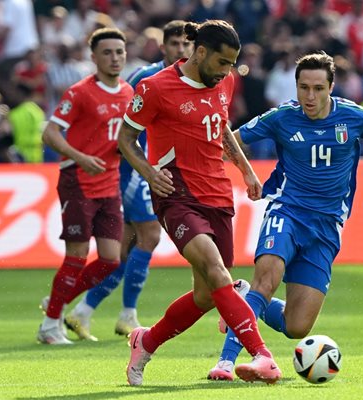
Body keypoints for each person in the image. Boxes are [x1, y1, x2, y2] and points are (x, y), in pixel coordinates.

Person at [207, 51, 363, 381]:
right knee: (268, 279)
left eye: (318, 88)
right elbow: (228, 140)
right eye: (303, 87)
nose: (310, 96)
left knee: (296, 326)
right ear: (295, 87)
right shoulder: (281, 117)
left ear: (331, 87)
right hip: (287, 210)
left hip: (327, 225)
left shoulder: (355, 118)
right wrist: (248, 173)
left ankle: (243, 300)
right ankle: (226, 363)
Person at [117, 19, 281, 385]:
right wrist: (147, 172)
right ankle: (262, 355)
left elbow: (220, 127)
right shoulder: (155, 88)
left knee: (207, 295)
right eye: (222, 63)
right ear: (200, 52)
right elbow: (125, 137)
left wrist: (246, 171)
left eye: (232, 64)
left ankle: (146, 340)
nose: (227, 72)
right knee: (218, 271)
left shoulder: (225, 80)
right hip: (176, 194)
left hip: (218, 194)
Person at [65, 20, 193, 341]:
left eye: (186, 44)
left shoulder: (193, 80)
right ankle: (125, 314)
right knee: (149, 236)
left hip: (160, 170)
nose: (181, 50)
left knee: (128, 249)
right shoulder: (146, 77)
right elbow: (122, 124)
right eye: (175, 44)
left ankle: (83, 309)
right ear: (163, 47)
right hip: (134, 168)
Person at [36, 27, 133, 345]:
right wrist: (81, 156)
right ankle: (50, 326)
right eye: (107, 52)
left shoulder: (128, 93)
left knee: (110, 259)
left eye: (119, 52)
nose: (115, 58)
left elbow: (123, 137)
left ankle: (55, 304)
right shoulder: (80, 92)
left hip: (110, 183)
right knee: (77, 254)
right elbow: (50, 133)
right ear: (93, 58)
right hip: (78, 179)